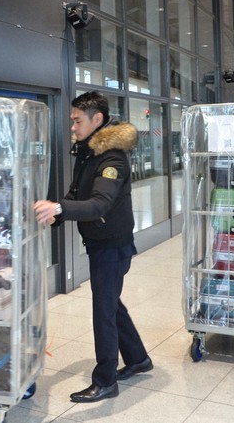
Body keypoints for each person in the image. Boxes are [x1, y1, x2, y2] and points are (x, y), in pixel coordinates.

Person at [34, 91, 152, 403]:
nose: (72, 126)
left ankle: (105, 380)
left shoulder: (111, 158)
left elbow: (99, 204)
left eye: (77, 120)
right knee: (111, 303)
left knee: (103, 309)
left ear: (96, 119)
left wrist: (59, 209)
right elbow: (76, 195)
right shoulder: (88, 153)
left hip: (112, 246)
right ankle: (138, 358)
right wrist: (55, 213)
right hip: (102, 243)